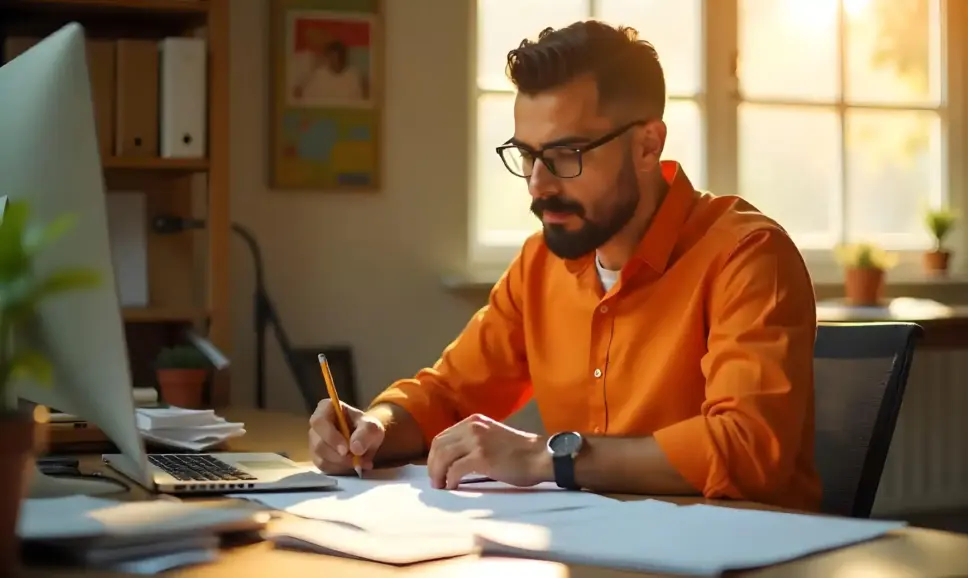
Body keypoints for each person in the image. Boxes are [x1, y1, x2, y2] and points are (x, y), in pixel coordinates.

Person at [308, 21, 821, 511]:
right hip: (599, 552)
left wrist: (543, 456)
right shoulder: (539, 264)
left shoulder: (747, 255)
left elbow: (748, 448)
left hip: (748, 557)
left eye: (566, 154)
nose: (538, 184)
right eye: (527, 155)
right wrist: (373, 425)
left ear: (647, 145)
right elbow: (446, 392)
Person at [292, 40, 367, 103]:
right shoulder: (319, 75)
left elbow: (361, 99)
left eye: (340, 56)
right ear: (327, 58)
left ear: (344, 57)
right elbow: (303, 97)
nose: (336, 60)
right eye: (333, 57)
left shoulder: (353, 75)